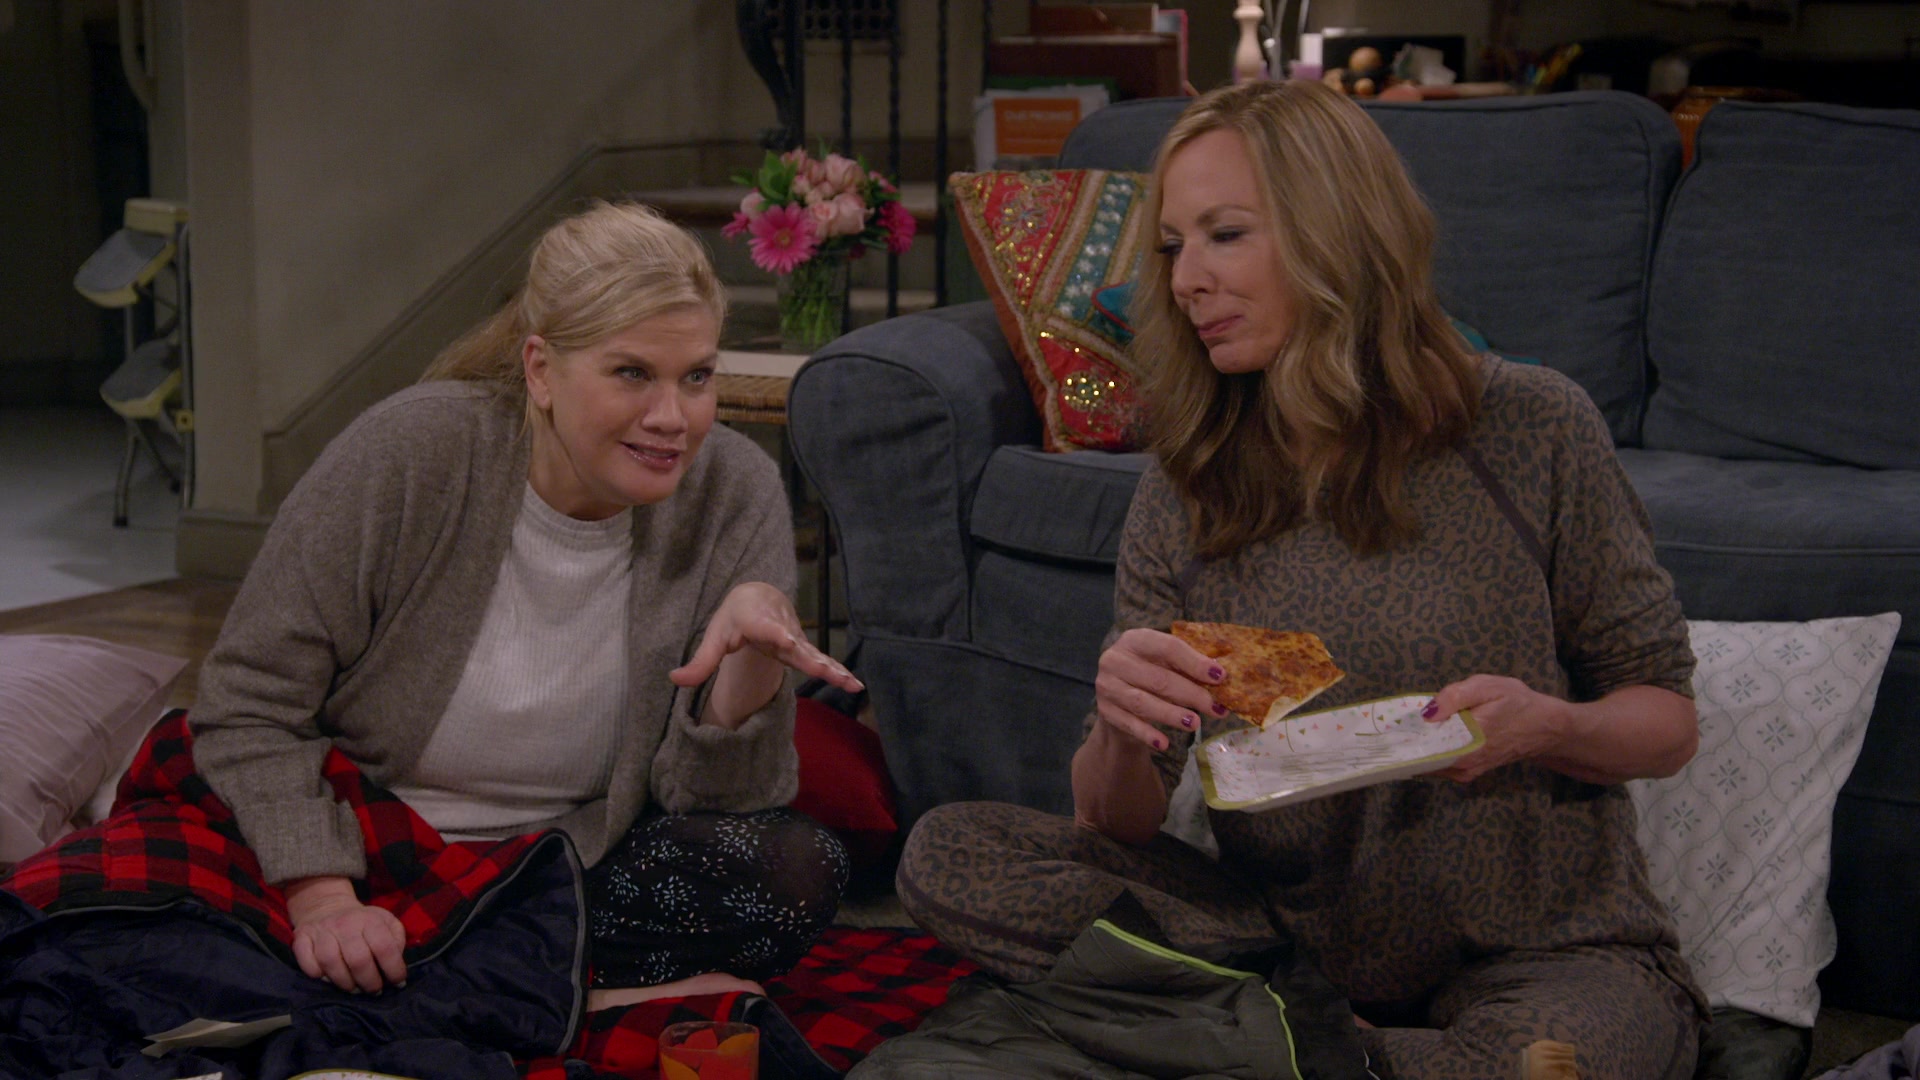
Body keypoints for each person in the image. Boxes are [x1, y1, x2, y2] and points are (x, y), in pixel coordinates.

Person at [895, 81, 1707, 1080]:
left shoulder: (1532, 424)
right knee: (952, 851)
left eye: (1226, 235)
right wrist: (1118, 724)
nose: (1187, 280)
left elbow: (1667, 724)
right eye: (1173, 246)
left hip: (1544, 952)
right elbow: (1117, 822)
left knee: (1548, 1058)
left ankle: (1256, 1050)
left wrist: (1550, 726)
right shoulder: (1185, 484)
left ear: (1341, 233)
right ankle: (1309, 1043)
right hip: (1278, 949)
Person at [190, 200, 862, 1008]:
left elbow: (716, 804)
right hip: (363, 844)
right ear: (541, 370)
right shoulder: (412, 451)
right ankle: (568, 999)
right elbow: (248, 705)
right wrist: (323, 899)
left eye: (696, 377)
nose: (672, 419)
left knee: (794, 871)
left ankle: (476, 991)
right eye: (632, 373)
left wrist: (751, 663)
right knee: (133, 946)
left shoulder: (734, 489)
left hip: (563, 868)